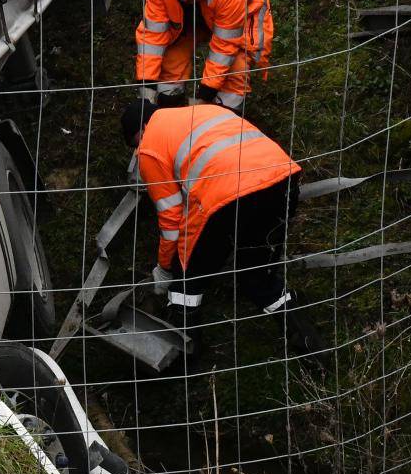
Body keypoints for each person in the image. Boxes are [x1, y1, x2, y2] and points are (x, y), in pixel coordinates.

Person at [121, 98, 321, 357]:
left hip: (227, 198)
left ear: (141, 130)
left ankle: (183, 363)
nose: (138, 152)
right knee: (257, 276)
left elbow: (171, 221)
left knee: (187, 282)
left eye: (135, 144)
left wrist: (166, 268)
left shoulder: (150, 146)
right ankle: (312, 348)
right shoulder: (206, 112)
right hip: (282, 182)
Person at [134, 0, 272, 113]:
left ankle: (227, 119)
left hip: (240, 15)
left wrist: (206, 93)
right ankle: (169, 108)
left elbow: (224, 46)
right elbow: (152, 36)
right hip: (189, 18)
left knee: (235, 69)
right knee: (170, 60)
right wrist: (146, 85)